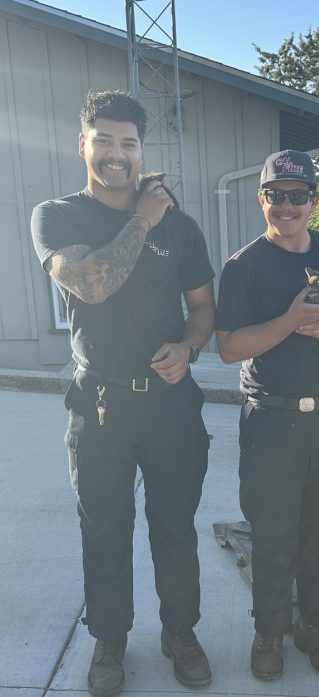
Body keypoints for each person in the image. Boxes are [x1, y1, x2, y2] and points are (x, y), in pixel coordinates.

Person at [30, 91, 215, 696]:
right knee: (105, 530)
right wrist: (142, 219)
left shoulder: (181, 228)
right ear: (82, 144)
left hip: (170, 404)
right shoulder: (57, 216)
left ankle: (180, 632)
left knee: (175, 527)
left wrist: (188, 347)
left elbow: (202, 307)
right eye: (104, 140)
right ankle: (109, 639)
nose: (117, 154)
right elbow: (90, 284)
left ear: (141, 150)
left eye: (129, 143)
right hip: (100, 404)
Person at [215, 149, 319, 680]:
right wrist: (289, 320)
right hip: (271, 420)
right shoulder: (244, 266)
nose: (286, 206)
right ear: (261, 198)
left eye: (297, 196)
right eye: (275, 195)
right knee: (272, 534)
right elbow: (229, 348)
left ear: (314, 200)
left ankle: (315, 626)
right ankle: (269, 633)